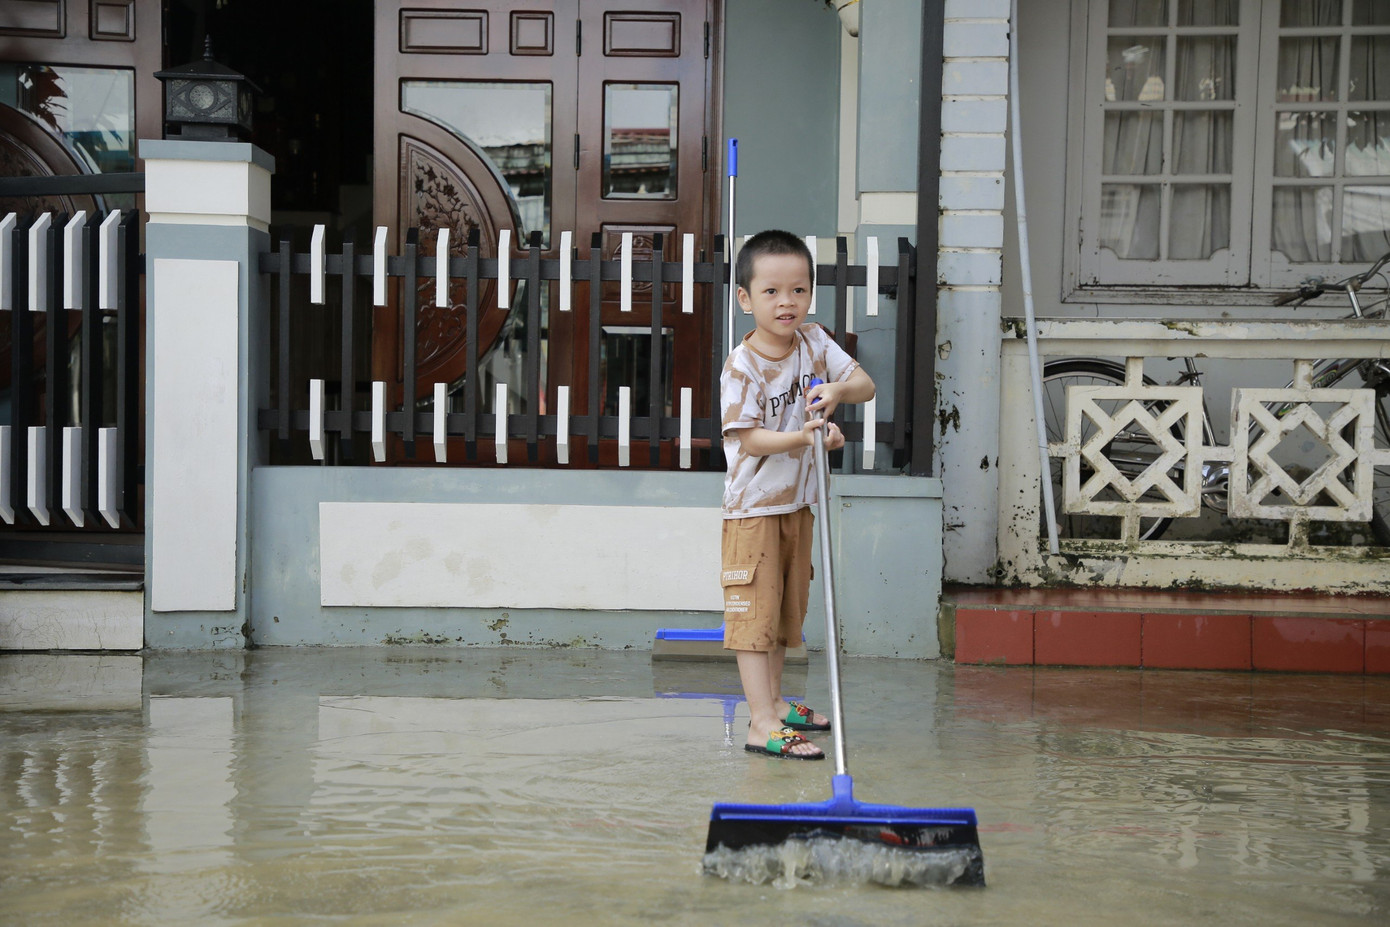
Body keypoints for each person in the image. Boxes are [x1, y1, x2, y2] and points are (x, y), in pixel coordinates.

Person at [719, 229, 875, 759]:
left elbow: (864, 385)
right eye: (771, 292)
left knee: (785, 612)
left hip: (799, 505)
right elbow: (750, 438)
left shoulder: (813, 341)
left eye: (798, 290)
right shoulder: (742, 368)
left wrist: (834, 395)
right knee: (753, 619)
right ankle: (761, 723)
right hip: (754, 510)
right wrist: (805, 437)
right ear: (745, 299)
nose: (787, 302)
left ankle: (779, 703)